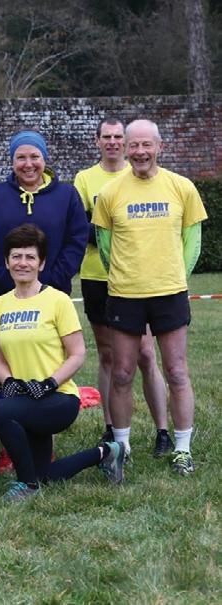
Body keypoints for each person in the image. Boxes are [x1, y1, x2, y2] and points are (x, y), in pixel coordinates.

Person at [92, 119, 207, 475]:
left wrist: (174, 278)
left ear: (160, 147)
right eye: (134, 145)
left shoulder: (182, 187)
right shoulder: (110, 193)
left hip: (170, 293)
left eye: (147, 145)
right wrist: (127, 277)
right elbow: (106, 248)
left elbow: (193, 241)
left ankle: (182, 449)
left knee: (177, 371)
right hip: (125, 295)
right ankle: (122, 448)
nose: (140, 151)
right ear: (126, 149)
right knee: (122, 373)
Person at [0, 224, 126, 502]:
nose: (22, 263)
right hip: (24, 398)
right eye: (16, 256)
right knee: (45, 474)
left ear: (41, 263)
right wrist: (9, 381)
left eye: (30, 257)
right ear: (6, 262)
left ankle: (26, 486)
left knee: (0, 411)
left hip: (58, 398)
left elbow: (77, 353)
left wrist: (50, 383)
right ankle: (107, 453)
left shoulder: (58, 301)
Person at [75, 118, 170, 456]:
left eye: (119, 137)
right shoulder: (85, 179)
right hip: (97, 277)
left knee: (146, 353)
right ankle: (111, 427)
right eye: (107, 137)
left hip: (138, 279)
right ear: (97, 141)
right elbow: (83, 229)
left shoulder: (143, 176)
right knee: (108, 355)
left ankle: (163, 430)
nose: (113, 142)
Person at [0, 130, 89, 305]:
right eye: (21, 158)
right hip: (2, 294)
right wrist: (5, 279)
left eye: (34, 157)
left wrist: (50, 281)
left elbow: (76, 241)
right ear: (12, 161)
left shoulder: (67, 195)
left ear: (44, 159)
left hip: (53, 293)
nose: (28, 164)